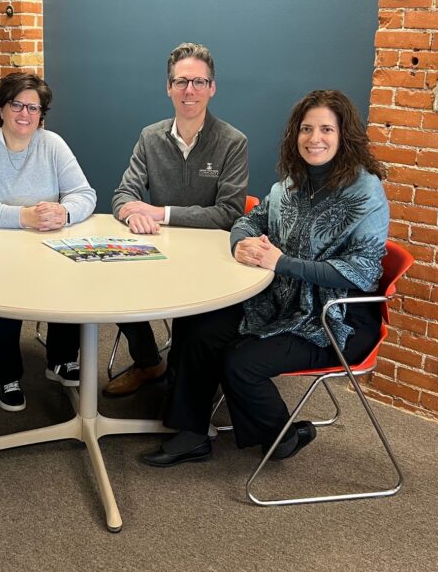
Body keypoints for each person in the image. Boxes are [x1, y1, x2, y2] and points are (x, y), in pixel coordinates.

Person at [141, 89, 388, 467]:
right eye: (306, 129)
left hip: (336, 318)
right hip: (279, 300)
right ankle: (191, 434)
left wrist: (281, 262)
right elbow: (248, 220)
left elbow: (363, 271)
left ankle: (283, 436)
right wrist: (240, 243)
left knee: (240, 362)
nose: (315, 138)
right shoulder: (292, 183)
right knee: (198, 327)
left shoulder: (365, 191)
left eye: (326, 129)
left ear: (344, 136)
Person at [106, 42, 248, 397]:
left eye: (199, 82)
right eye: (181, 82)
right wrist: (131, 214)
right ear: (168, 87)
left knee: (195, 329)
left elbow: (229, 212)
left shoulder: (232, 142)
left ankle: (184, 387)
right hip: (157, 251)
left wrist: (159, 213)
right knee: (110, 282)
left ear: (212, 88)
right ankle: (148, 362)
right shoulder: (150, 137)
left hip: (209, 259)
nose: (190, 90)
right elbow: (123, 195)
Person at [0, 72, 96, 412]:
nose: (25, 114)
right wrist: (23, 217)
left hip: (48, 246)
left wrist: (64, 212)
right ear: (1, 108)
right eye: (17, 105)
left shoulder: (52, 144)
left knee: (76, 277)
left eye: (33, 107)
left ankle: (61, 359)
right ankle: (6, 373)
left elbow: (84, 193)